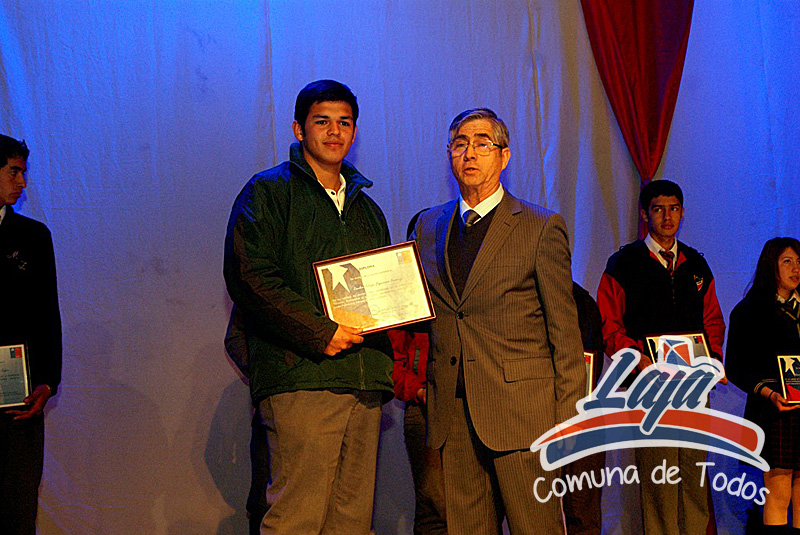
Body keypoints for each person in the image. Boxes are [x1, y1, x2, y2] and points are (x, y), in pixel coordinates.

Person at [223, 80, 394, 535]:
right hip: (301, 375)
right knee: (297, 518)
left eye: (345, 123)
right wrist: (320, 332)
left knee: (352, 523)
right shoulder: (268, 192)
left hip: (363, 380)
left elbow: (383, 290)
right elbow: (251, 278)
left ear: (354, 131)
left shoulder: (368, 209)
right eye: (323, 121)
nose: (335, 132)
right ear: (299, 129)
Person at [412, 108, 585, 534]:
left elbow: (565, 334)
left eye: (482, 144)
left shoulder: (540, 226)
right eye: (460, 144)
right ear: (449, 155)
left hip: (525, 416)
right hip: (453, 414)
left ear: (504, 156)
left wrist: (569, 419)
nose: (469, 153)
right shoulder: (428, 225)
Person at [596, 179, 725, 535]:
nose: (667, 217)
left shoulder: (696, 264)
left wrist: (712, 358)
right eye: (658, 209)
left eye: (674, 209)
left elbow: (713, 320)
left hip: (693, 389)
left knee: (694, 476)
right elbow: (609, 325)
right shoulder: (623, 264)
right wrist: (637, 359)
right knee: (660, 480)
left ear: (682, 213)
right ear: (644, 214)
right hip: (648, 389)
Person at [0, 134, 62, 535]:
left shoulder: (33, 236)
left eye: (23, 172)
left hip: (15, 391)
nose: (22, 182)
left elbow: (46, 315)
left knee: (17, 504)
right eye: (13, 172)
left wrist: (47, 380)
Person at [726, 237, 800, 534]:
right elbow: (736, 367)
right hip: (774, 411)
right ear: (771, 266)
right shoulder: (749, 311)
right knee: (779, 491)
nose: (795, 269)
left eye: (799, 262)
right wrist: (769, 392)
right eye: (787, 262)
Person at [390, 209, 447, 535]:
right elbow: (391, 362)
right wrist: (420, 391)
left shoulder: (459, 286)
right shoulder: (401, 296)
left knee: (473, 503)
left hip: (466, 410)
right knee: (433, 504)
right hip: (423, 409)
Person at [561, 282, 605, 535]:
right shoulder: (516, 300)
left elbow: (592, 364)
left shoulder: (583, 302)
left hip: (582, 415)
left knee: (584, 515)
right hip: (532, 415)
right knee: (535, 514)